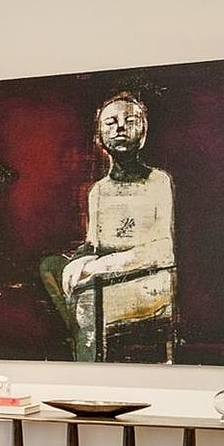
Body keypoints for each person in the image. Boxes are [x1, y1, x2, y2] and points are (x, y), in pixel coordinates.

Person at [40, 92, 175, 360]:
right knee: (50, 267)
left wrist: (102, 266)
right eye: (110, 122)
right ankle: (78, 338)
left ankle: (87, 365)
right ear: (99, 137)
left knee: (87, 298)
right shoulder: (99, 191)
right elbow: (94, 243)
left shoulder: (158, 181)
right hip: (104, 277)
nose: (120, 127)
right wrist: (79, 261)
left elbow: (163, 249)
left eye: (130, 120)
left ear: (144, 132)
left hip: (150, 278)